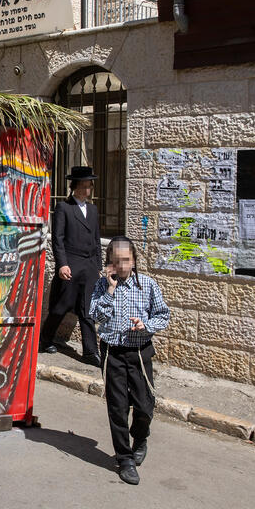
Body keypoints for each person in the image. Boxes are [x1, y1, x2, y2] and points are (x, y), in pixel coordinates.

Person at [89, 236, 170, 486]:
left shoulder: (147, 285)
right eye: (116, 261)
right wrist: (110, 290)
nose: (122, 266)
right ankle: (124, 459)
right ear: (109, 263)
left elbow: (163, 315)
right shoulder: (103, 286)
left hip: (139, 353)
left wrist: (145, 325)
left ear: (134, 260)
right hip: (113, 353)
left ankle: (140, 437)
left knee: (145, 405)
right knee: (118, 408)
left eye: (126, 260)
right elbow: (95, 315)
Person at [41, 165, 101, 366]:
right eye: (83, 186)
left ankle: (90, 351)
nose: (87, 190)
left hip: (89, 266)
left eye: (89, 186)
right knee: (60, 306)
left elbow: (96, 238)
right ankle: (45, 339)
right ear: (74, 186)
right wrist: (62, 264)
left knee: (87, 308)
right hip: (71, 264)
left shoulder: (92, 210)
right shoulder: (64, 208)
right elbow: (57, 239)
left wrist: (98, 265)